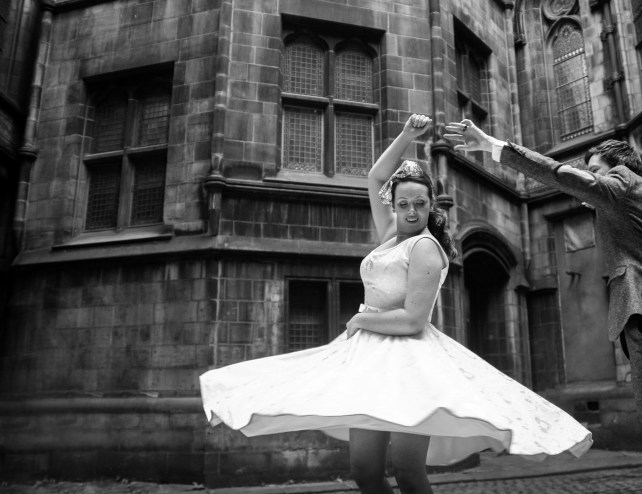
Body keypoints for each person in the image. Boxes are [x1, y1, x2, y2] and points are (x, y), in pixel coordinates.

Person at [200, 114, 592, 494]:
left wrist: (361, 320)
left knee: (407, 470)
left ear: (430, 205)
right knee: (365, 471)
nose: (410, 212)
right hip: (368, 358)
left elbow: (412, 322)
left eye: (419, 204)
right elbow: (374, 177)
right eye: (403, 204)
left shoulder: (425, 248)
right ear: (395, 202)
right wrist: (406, 135)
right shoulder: (390, 232)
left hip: (408, 363)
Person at [443, 119, 642, 494]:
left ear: (617, 168)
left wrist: (492, 145)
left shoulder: (623, 185)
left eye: (594, 171)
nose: (591, 179)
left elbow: (560, 174)